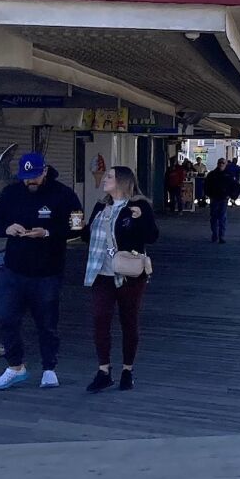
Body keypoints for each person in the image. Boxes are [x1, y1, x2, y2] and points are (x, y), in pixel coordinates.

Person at [0, 152, 83, 390]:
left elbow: (78, 227)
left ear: (44, 171)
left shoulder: (64, 194)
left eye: (34, 177)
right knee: (5, 317)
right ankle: (15, 366)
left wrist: (48, 232)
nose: (30, 182)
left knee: (47, 323)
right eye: (25, 177)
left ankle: (49, 368)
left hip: (48, 270)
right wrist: (7, 228)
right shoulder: (10, 193)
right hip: (13, 268)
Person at [84, 165, 159, 392]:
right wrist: (76, 227)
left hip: (129, 275)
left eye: (110, 176)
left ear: (123, 181)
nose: (105, 179)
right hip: (101, 273)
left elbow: (152, 237)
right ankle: (103, 370)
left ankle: (127, 369)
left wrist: (140, 219)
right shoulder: (100, 205)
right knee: (100, 319)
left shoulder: (138, 205)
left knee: (129, 321)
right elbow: (89, 236)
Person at [204, 158, 239, 243]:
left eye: (223, 163)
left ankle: (221, 236)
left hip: (223, 199)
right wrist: (209, 195)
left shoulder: (229, 175)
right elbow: (206, 185)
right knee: (214, 217)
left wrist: (232, 196)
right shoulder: (212, 175)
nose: (221, 164)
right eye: (219, 163)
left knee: (222, 217)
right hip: (214, 198)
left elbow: (236, 186)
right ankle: (215, 234)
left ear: (225, 164)